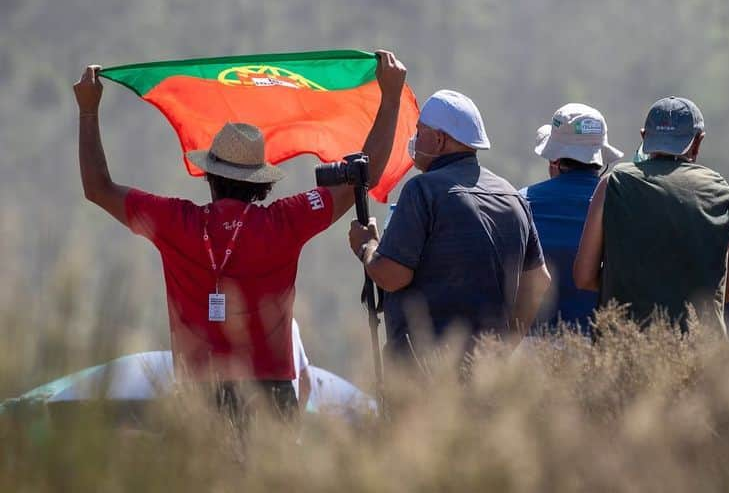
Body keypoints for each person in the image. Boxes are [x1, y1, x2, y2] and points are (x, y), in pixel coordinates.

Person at [73, 51, 408, 420]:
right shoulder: (286, 221)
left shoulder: (174, 221)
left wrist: (88, 110)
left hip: (197, 395)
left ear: (210, 175)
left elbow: (98, 188)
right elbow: (363, 177)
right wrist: (389, 97)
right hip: (271, 394)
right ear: (261, 185)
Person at [349, 89, 552, 359]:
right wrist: (503, 348)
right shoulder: (512, 196)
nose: (415, 139)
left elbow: (393, 276)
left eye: (420, 132)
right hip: (488, 375)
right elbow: (539, 281)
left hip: (426, 373)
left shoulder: (422, 190)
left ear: (439, 139)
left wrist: (367, 246)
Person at [573, 96, 729, 331]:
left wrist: (632, 282)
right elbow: (728, 290)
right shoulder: (720, 189)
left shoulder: (614, 183)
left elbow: (583, 276)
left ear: (644, 137)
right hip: (701, 354)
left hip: (627, 350)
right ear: (698, 142)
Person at [521, 103, 623, 333]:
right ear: (600, 161)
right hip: (600, 346)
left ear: (554, 160)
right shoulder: (622, 206)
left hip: (532, 345)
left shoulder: (520, 202)